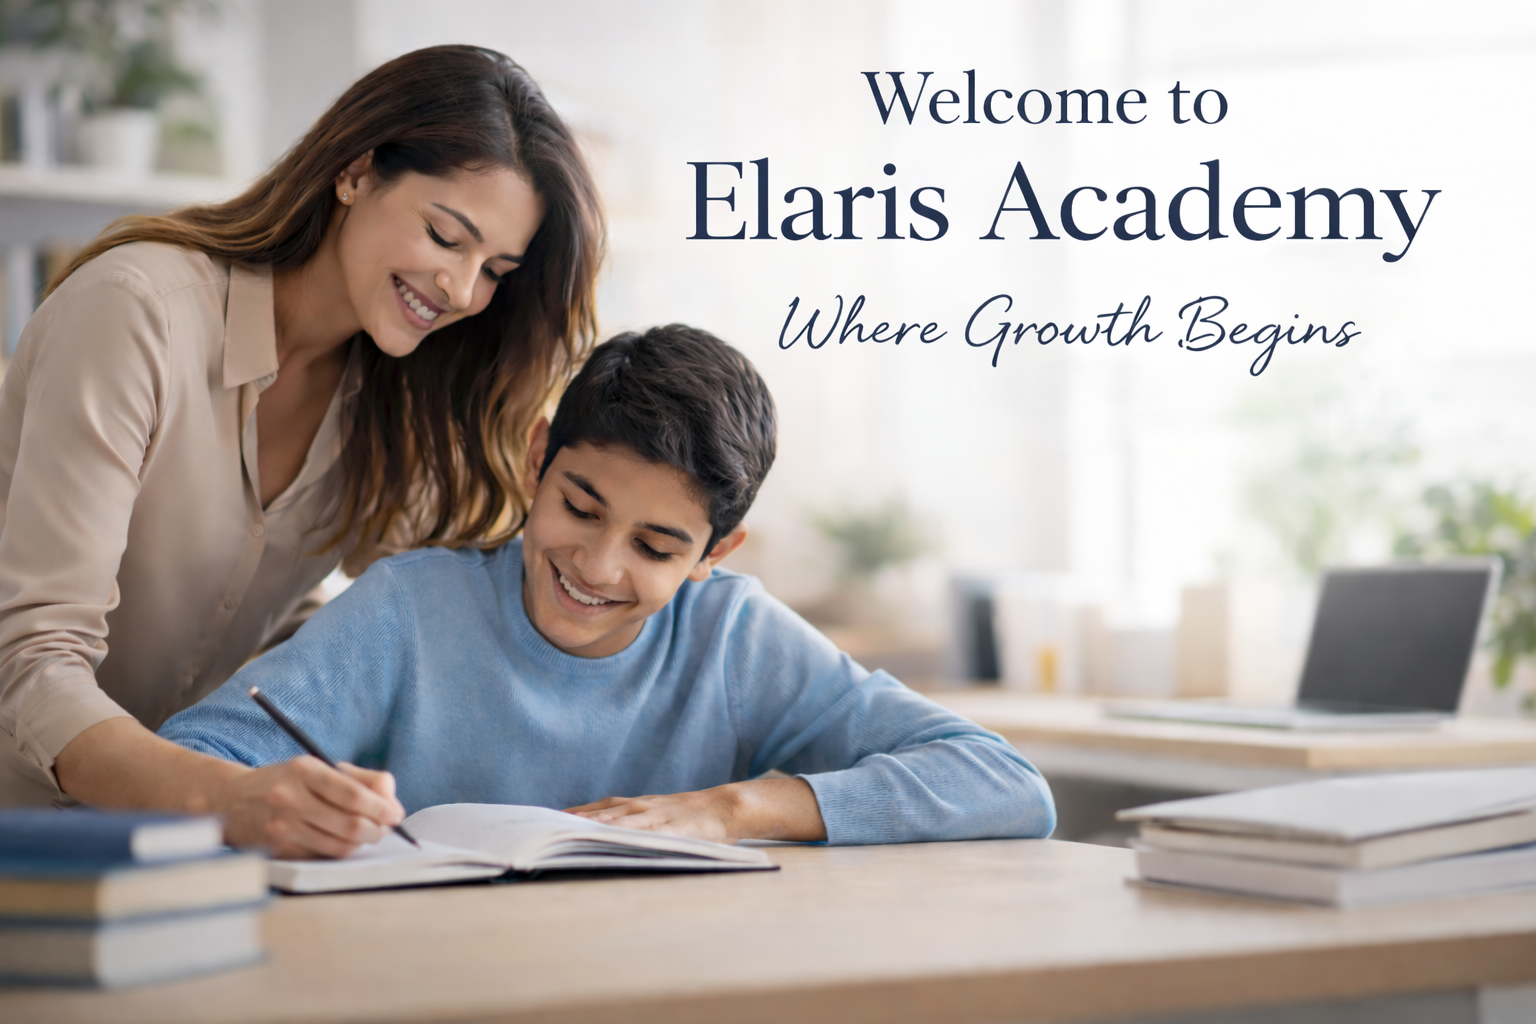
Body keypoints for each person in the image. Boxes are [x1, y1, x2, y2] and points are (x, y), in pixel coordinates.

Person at [0, 45, 603, 849]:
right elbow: (32, 660)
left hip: (183, 852)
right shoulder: (137, 311)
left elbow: (430, 618)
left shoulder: (396, 401)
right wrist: (229, 795)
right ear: (355, 171)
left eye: (495, 269)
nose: (462, 292)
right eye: (443, 235)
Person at [158, 326, 1056, 857]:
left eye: (657, 546)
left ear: (717, 551)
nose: (597, 565)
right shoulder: (407, 609)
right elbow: (192, 754)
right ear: (541, 456)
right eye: (579, 508)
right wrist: (274, 800)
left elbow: (1008, 784)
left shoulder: (734, 636)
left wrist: (734, 807)